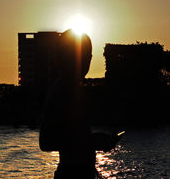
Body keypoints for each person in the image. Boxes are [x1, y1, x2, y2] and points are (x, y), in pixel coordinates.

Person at [39, 29, 121, 179]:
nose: (87, 61)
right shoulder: (63, 90)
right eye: (83, 56)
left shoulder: (67, 88)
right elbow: (46, 141)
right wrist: (93, 141)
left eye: (88, 56)